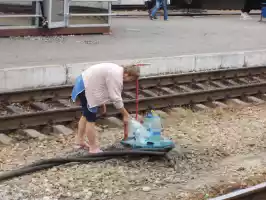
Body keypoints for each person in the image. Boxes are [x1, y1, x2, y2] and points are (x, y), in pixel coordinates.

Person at [71, 63, 140, 153]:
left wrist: (102, 103)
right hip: (86, 87)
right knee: (90, 119)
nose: (128, 81)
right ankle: (93, 148)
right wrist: (126, 115)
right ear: (127, 74)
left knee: (85, 114)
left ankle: (79, 142)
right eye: (130, 79)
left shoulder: (116, 70)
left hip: (83, 82)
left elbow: (101, 83)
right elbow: (115, 98)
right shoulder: (116, 76)